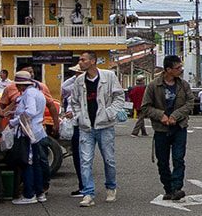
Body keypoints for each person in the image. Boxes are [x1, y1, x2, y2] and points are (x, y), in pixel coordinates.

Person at [64, 52, 127, 207]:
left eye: (83, 59)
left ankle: (111, 187)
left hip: (105, 126)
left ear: (92, 61)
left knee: (109, 159)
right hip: (86, 127)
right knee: (85, 161)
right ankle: (88, 193)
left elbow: (119, 97)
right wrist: (78, 116)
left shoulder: (108, 76)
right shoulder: (79, 81)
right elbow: (74, 101)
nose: (80, 62)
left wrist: (109, 113)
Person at [144, 55, 197, 201]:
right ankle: (168, 188)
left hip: (179, 127)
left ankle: (176, 187)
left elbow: (190, 102)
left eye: (181, 67)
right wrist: (161, 115)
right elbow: (145, 107)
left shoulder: (183, 85)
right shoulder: (154, 85)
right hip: (161, 129)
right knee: (162, 161)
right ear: (168, 69)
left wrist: (176, 116)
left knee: (178, 158)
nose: (180, 70)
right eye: (177, 68)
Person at [9, 69, 50, 205]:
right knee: (36, 164)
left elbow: (30, 111)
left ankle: (29, 194)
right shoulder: (37, 92)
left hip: (28, 133)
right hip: (37, 132)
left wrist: (13, 121)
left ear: (20, 85)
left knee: (27, 163)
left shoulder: (28, 94)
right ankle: (39, 192)